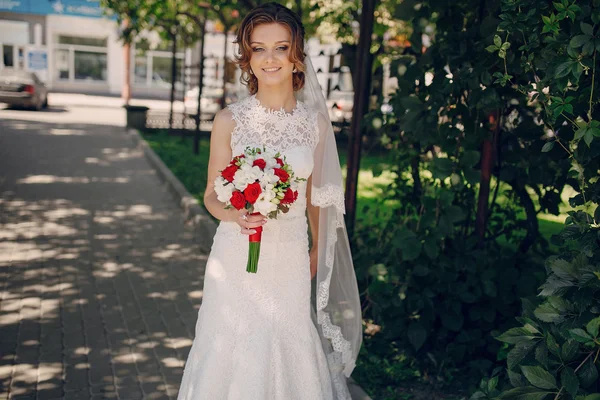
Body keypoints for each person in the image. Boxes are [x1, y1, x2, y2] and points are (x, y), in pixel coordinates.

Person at [177, 3, 362, 399]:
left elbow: (317, 195)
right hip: (234, 252)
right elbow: (211, 193)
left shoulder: (315, 123)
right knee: (228, 340)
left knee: (287, 337)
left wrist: (316, 248)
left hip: (289, 256)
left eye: (280, 47)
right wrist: (233, 213)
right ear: (248, 56)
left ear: (297, 56)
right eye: (259, 48)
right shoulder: (229, 120)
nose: (270, 58)